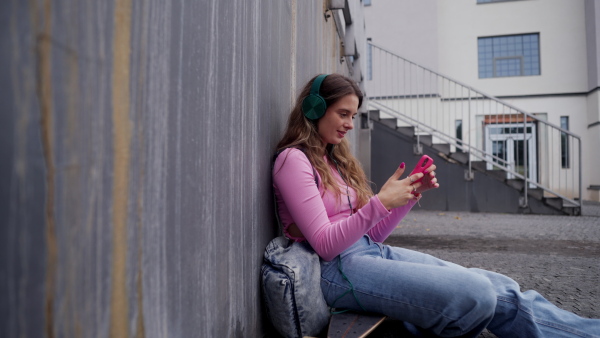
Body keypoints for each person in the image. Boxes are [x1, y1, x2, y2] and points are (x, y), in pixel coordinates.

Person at [272, 73, 600, 337]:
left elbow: (374, 235)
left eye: (353, 115)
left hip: (368, 254)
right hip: (337, 272)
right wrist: (379, 203)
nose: (349, 123)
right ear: (314, 108)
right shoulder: (293, 161)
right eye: (343, 113)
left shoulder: (335, 162)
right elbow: (327, 246)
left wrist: (407, 196)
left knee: (497, 287)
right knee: (476, 295)